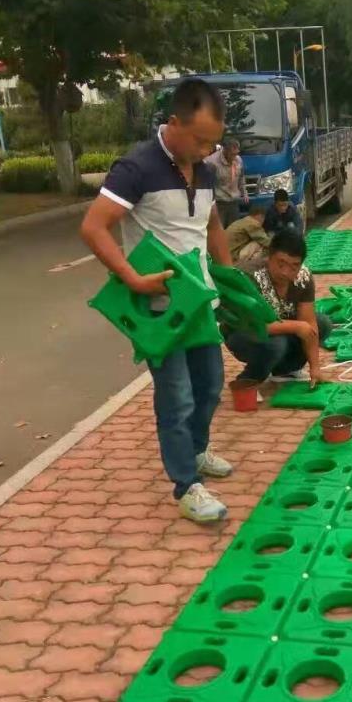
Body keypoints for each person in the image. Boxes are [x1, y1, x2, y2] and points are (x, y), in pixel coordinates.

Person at [81, 78, 236, 524]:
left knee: (209, 388)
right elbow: (94, 227)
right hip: (160, 313)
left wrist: (226, 280)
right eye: (201, 139)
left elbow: (211, 228)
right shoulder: (137, 168)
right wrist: (131, 277)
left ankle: (199, 450)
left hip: (201, 305)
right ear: (174, 123)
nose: (208, 150)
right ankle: (187, 486)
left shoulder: (204, 170)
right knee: (178, 399)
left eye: (214, 141)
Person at [223, 228, 331, 388]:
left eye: (294, 266)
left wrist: (315, 368)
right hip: (241, 333)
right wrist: (296, 326)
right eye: (281, 263)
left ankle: (285, 370)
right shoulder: (249, 276)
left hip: (278, 328)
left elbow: (309, 322)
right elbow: (254, 324)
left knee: (322, 323)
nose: (286, 272)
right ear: (269, 256)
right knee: (276, 343)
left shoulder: (303, 277)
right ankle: (249, 379)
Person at [206, 137, 248, 227]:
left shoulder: (238, 160)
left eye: (236, 153)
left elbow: (241, 177)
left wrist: (244, 192)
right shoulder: (212, 163)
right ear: (225, 150)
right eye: (232, 154)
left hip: (233, 202)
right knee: (219, 229)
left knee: (234, 230)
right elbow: (207, 186)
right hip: (219, 203)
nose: (235, 156)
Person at [226, 204, 270, 271]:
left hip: (225, 255)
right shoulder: (252, 223)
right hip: (233, 258)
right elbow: (265, 241)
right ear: (261, 216)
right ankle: (251, 266)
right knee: (259, 244)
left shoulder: (242, 221)